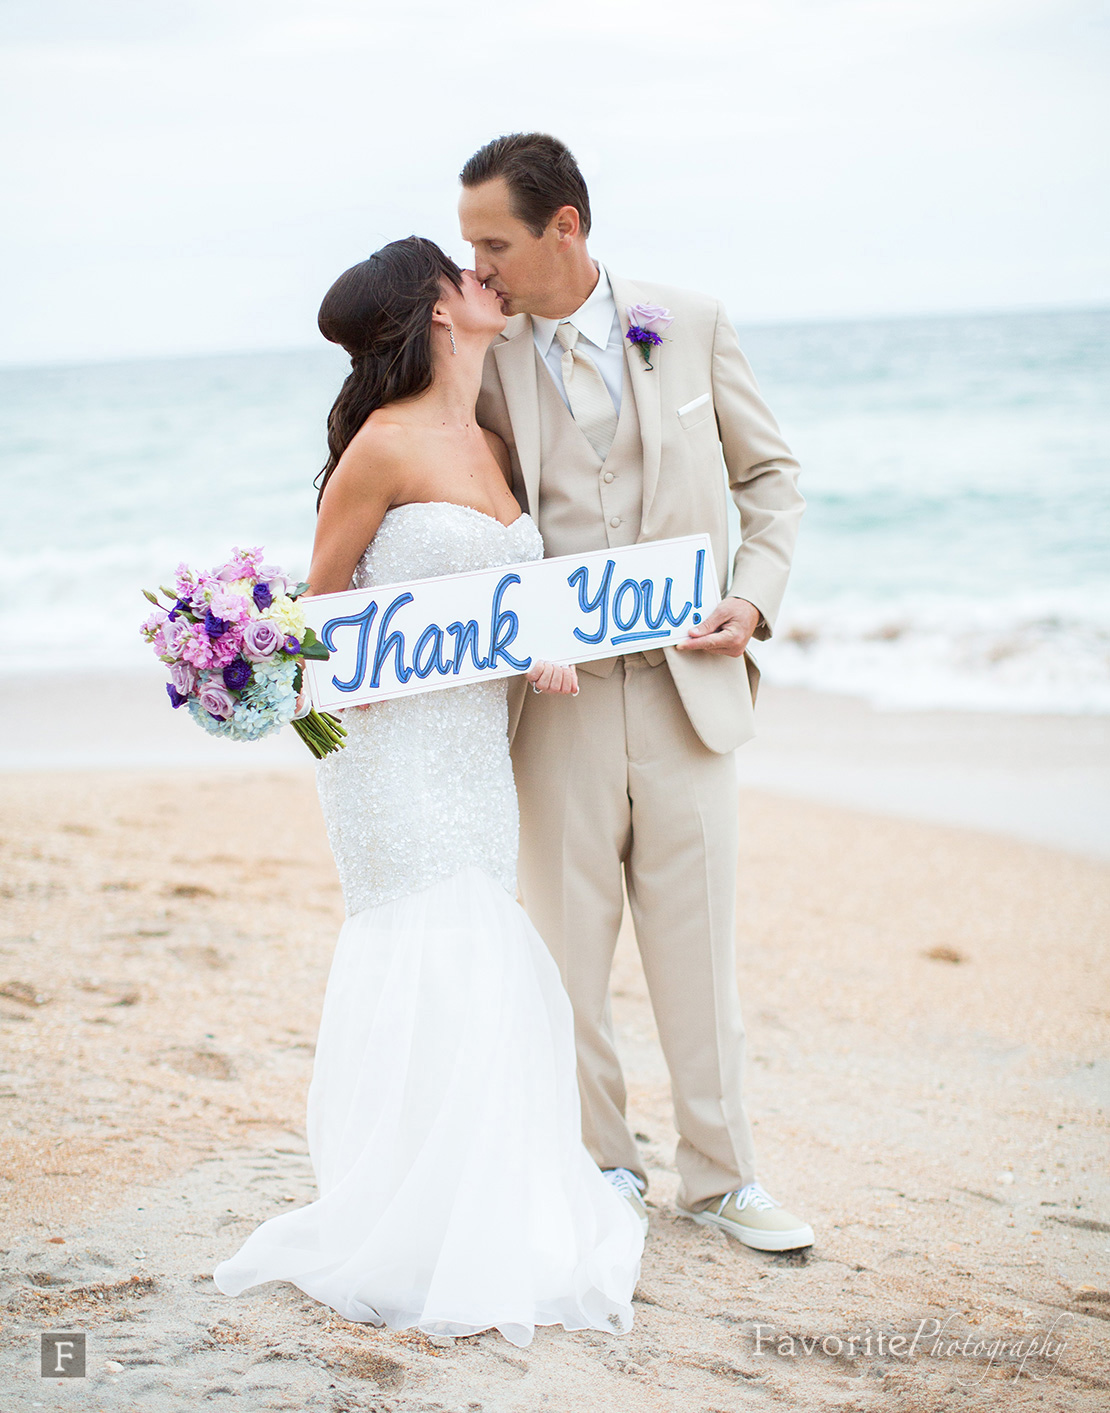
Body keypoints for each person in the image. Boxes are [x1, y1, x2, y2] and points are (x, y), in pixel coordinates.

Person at [212, 236, 644, 1346]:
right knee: (434, 953)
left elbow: (503, 610)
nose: (483, 275)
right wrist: (320, 687)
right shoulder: (380, 448)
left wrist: (540, 650)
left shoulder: (490, 440)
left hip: (471, 748)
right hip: (389, 758)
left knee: (487, 955)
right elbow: (316, 620)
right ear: (436, 311)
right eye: (464, 269)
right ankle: (412, 1223)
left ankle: (486, 1209)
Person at [459, 133, 814, 1251]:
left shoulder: (691, 321)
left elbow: (771, 477)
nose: (478, 268)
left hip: (687, 693)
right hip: (554, 705)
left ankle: (722, 1179)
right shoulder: (486, 354)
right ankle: (600, 1164)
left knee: (696, 948)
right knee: (567, 949)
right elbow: (467, 513)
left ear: (565, 226)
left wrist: (751, 602)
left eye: (495, 243)